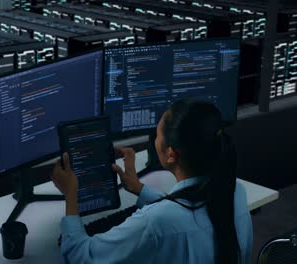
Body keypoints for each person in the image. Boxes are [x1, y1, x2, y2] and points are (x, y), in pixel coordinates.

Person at [52, 99, 253, 263]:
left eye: (157, 135)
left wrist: (71, 195)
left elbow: (81, 256)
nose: (155, 140)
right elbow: (189, 211)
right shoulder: (235, 191)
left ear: (171, 154)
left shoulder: (155, 222)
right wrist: (140, 189)